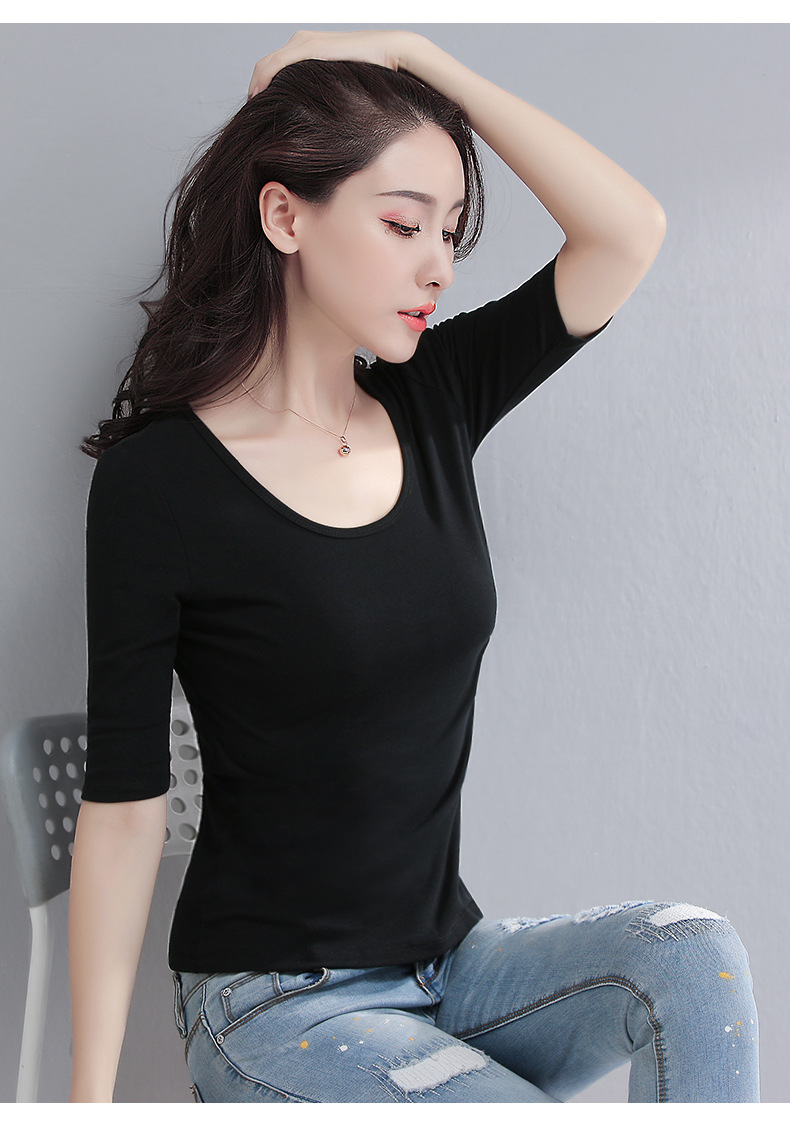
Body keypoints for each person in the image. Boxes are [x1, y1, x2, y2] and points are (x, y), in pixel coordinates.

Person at [68, 29, 759, 1103]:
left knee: (691, 952)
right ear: (285, 216)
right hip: (277, 1004)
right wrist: (85, 1106)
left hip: (453, 968)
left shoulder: (435, 397)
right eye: (402, 224)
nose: (437, 263)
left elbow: (627, 231)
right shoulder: (160, 484)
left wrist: (417, 56)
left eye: (450, 229)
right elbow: (123, 809)